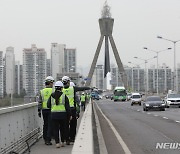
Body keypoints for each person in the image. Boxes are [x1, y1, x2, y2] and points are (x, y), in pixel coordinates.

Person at [62, 76, 91, 142]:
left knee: (65, 125)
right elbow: (81, 88)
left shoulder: (61, 89)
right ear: (68, 82)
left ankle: (66, 139)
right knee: (73, 124)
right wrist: (89, 87)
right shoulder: (72, 89)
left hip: (63, 110)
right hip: (72, 109)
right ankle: (72, 138)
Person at [47, 81, 71, 148]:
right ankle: (63, 142)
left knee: (55, 129)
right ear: (61, 88)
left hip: (54, 115)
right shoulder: (64, 96)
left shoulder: (51, 95)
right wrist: (70, 115)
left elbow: (48, 105)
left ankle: (57, 143)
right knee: (62, 129)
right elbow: (67, 107)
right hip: (63, 115)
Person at [38, 76, 54, 145]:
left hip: (44, 110)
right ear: (50, 83)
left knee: (45, 124)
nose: (53, 84)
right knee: (50, 124)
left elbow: (40, 102)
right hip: (51, 110)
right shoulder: (53, 91)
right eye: (52, 83)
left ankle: (45, 138)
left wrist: (39, 110)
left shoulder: (42, 91)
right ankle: (48, 139)